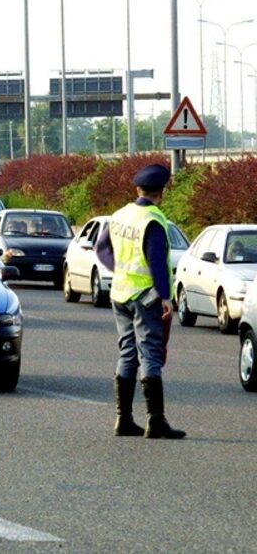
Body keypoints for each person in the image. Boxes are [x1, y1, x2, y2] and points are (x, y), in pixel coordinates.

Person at [96, 164, 185, 439]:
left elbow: (101, 249)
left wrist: (119, 269)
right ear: (163, 192)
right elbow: (157, 262)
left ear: (137, 189)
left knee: (127, 353)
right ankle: (155, 421)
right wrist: (166, 296)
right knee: (151, 355)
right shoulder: (153, 220)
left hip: (120, 294)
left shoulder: (119, 215)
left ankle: (123, 419)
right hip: (146, 297)